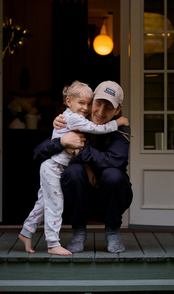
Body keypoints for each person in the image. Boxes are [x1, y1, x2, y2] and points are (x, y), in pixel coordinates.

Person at [19, 81, 129, 255]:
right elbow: (37, 153)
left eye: (108, 107)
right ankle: (74, 233)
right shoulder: (73, 120)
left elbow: (115, 161)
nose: (100, 112)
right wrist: (62, 142)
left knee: (112, 175)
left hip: (110, 195)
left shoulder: (120, 129)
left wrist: (80, 152)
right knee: (71, 174)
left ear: (117, 110)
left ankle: (112, 231)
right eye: (97, 103)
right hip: (75, 193)